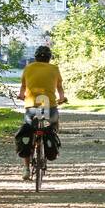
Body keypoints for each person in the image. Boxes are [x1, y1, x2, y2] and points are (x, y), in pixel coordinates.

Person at [17, 45, 67, 180]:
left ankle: (26, 168)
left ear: (36, 57)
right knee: (53, 125)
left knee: (28, 130)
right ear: (49, 59)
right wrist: (62, 98)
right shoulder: (54, 69)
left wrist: (21, 95)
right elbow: (59, 88)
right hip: (49, 106)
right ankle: (52, 135)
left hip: (32, 107)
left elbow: (23, 87)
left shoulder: (28, 68)